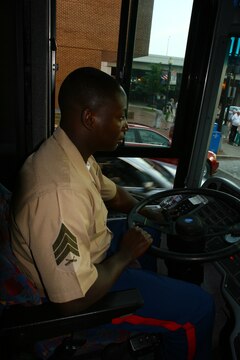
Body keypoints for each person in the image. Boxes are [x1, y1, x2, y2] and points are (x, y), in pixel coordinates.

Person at [10, 67, 215, 359]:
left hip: (91, 258)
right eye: (120, 116)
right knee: (199, 308)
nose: (126, 126)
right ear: (90, 118)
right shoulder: (59, 195)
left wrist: (152, 212)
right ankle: (168, 315)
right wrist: (123, 256)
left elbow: (116, 196)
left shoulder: (72, 155)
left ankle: (157, 307)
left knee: (148, 228)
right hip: (83, 297)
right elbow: (72, 302)